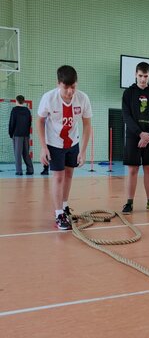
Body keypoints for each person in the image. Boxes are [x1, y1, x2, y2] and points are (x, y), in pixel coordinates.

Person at [37, 65, 92, 230]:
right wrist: (43, 147)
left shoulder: (83, 98)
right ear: (58, 84)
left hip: (73, 142)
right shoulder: (48, 98)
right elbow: (40, 121)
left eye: (73, 87)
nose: (70, 91)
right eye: (66, 87)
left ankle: (64, 206)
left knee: (69, 174)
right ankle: (58, 213)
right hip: (54, 143)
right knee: (58, 177)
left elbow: (87, 125)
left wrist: (83, 151)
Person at [121, 61, 149, 214]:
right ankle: (129, 203)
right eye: (140, 76)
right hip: (133, 136)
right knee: (133, 170)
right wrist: (140, 134)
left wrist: (148, 136)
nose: (143, 79)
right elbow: (126, 116)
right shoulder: (128, 93)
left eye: (145, 76)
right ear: (135, 74)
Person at [8, 95, 34, 176]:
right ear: (23, 101)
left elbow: (12, 123)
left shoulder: (14, 110)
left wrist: (11, 133)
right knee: (26, 153)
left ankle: (19, 171)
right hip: (26, 135)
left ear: (16, 101)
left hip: (17, 135)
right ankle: (30, 169)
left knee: (17, 153)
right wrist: (27, 133)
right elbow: (29, 123)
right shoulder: (27, 110)